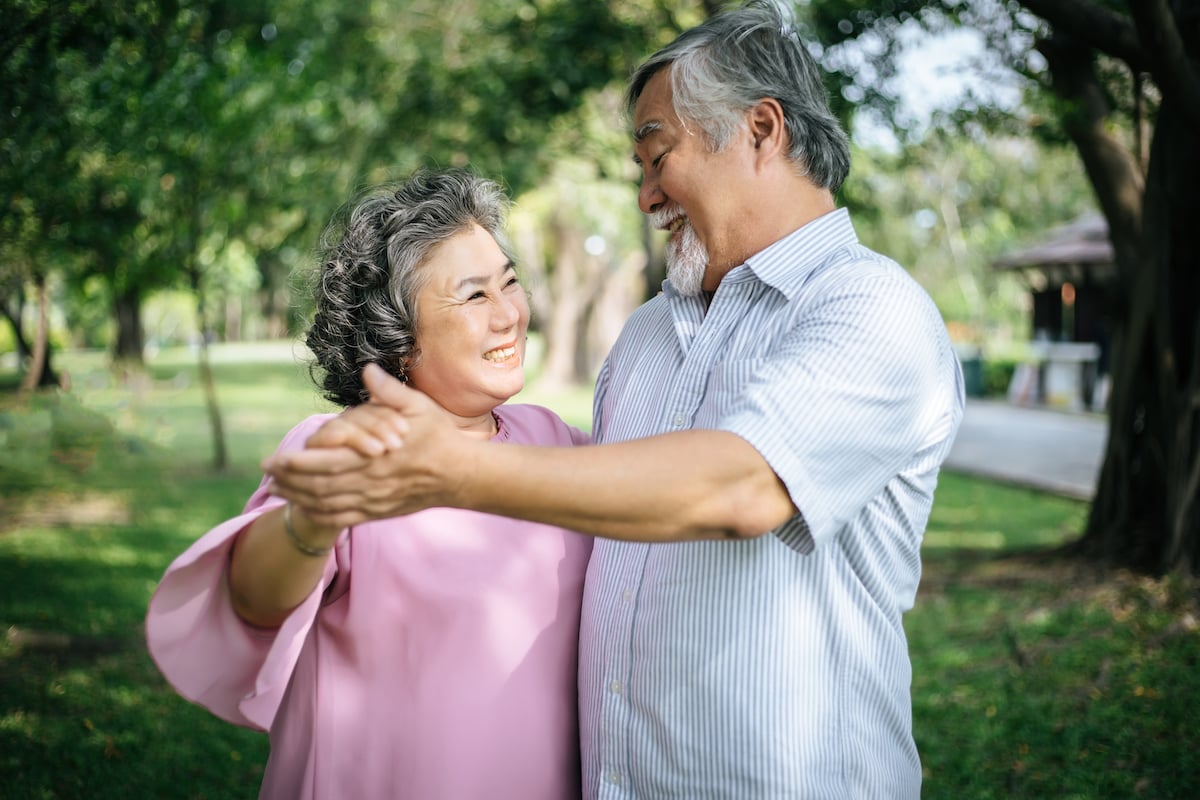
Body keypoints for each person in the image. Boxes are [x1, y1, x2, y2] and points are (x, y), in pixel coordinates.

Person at [264, 2, 965, 797]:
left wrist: (452, 472)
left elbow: (741, 486)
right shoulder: (645, 339)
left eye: (657, 156)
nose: (645, 196)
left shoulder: (873, 309)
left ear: (762, 131)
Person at [144, 168, 592, 799]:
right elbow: (254, 599)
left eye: (510, 283)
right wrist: (311, 522)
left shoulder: (554, 438)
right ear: (399, 336)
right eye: (473, 296)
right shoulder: (346, 447)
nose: (509, 315)